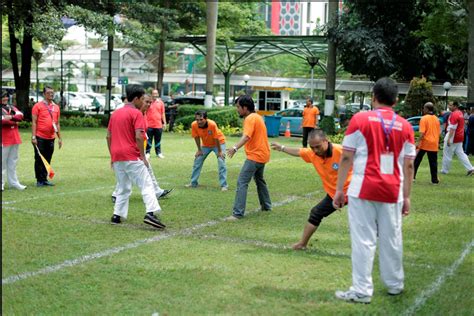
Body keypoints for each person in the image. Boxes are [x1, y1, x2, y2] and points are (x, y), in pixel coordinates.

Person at [333, 77, 416, 304]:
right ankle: (395, 284)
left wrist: (339, 189)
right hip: (393, 191)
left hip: (362, 189)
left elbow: (347, 155)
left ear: (373, 97)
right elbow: (409, 164)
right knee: (392, 238)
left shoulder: (359, 119)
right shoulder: (406, 126)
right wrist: (407, 196)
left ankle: (361, 290)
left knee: (363, 239)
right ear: (396, 100)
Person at [270, 129, 352, 250]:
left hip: (353, 191)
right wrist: (282, 147)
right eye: (312, 147)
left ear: (326, 141)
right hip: (333, 193)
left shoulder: (341, 151)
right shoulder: (312, 153)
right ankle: (302, 244)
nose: (315, 150)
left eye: (318, 147)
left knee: (363, 222)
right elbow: (298, 151)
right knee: (316, 213)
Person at [107, 84, 166, 229]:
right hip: (132, 156)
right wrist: (143, 156)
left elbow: (108, 136)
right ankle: (151, 213)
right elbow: (139, 137)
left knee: (123, 187)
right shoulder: (136, 114)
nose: (144, 102)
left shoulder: (115, 113)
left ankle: (117, 215)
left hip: (117, 156)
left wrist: (112, 156)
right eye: (142, 99)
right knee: (147, 185)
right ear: (137, 98)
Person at [111, 94, 172, 203]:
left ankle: (156, 192)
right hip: (131, 151)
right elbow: (134, 135)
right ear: (139, 101)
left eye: (150, 102)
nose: (148, 104)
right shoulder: (135, 113)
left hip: (134, 151)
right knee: (132, 173)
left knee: (136, 170)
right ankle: (150, 207)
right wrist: (142, 155)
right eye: (146, 102)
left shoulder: (142, 114)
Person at [226, 95, 271, 219]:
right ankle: (266, 206)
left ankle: (238, 213)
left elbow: (246, 136)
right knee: (260, 180)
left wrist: (234, 148)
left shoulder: (250, 118)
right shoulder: (257, 117)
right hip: (263, 155)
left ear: (245, 108)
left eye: (238, 107)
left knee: (242, 182)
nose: (237, 109)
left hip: (255, 156)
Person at [185, 110, 228, 191]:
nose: (199, 122)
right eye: (197, 119)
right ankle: (193, 183)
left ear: (206, 119)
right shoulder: (194, 125)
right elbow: (196, 137)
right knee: (197, 160)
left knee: (221, 161)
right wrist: (199, 150)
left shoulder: (212, 124)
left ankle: (224, 185)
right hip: (206, 145)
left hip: (219, 143)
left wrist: (219, 152)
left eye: (201, 119)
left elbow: (216, 138)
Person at [31, 86, 62, 187]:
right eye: (48, 93)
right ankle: (39, 180)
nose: (51, 94)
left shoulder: (56, 107)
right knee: (39, 159)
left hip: (51, 137)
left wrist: (59, 138)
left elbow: (57, 124)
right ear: (44, 94)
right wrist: (33, 137)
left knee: (48, 159)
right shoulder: (37, 106)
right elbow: (34, 122)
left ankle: (44, 179)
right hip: (40, 137)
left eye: (52, 93)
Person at [2, 91, 27, 191]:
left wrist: (12, 117)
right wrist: (14, 120)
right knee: (2, 162)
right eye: (3, 97)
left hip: (14, 138)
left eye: (6, 97)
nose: (5, 98)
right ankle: (1, 184)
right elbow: (3, 120)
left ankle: (14, 182)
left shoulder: (11, 107)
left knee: (13, 162)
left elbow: (20, 116)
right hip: (4, 138)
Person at [441, 101, 474, 176]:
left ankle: (444, 170)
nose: (449, 107)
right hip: (460, 136)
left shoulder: (454, 114)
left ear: (455, 106)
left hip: (453, 136)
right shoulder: (460, 113)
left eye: (450, 105)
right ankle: (470, 169)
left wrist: (449, 139)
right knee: (461, 154)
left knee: (447, 153)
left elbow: (452, 128)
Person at [414, 102, 441, 184]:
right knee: (433, 163)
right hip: (434, 143)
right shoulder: (436, 119)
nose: (423, 109)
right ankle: (434, 180)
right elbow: (438, 132)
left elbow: (422, 133)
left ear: (426, 109)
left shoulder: (424, 118)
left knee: (417, 160)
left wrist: (417, 142)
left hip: (425, 143)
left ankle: (412, 177)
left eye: (424, 108)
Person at [146, 89, 166, 158]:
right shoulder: (148, 103)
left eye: (156, 93)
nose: (155, 95)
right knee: (148, 140)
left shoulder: (161, 103)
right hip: (149, 125)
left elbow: (163, 113)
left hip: (158, 125)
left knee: (158, 140)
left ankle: (158, 153)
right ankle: (147, 153)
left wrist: (164, 123)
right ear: (151, 94)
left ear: (158, 94)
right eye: (153, 94)